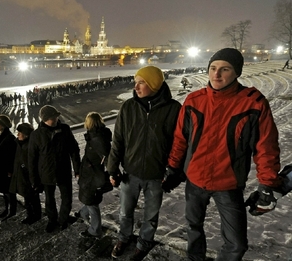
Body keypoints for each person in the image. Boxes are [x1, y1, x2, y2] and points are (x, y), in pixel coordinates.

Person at [165, 48, 282, 261]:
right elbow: (180, 139)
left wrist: (267, 184)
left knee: (236, 243)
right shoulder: (194, 100)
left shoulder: (253, 103)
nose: (216, 74)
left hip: (228, 184)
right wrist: (173, 167)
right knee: (193, 227)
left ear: (236, 72)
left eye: (224, 69)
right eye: (213, 68)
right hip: (195, 180)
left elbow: (266, 147)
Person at [106, 65, 181, 260]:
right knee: (125, 212)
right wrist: (112, 169)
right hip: (130, 172)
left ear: (154, 85)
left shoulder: (174, 109)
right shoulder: (128, 107)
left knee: (151, 216)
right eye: (135, 82)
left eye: (141, 82)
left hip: (157, 175)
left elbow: (179, 144)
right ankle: (123, 237)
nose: (136, 87)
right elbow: (118, 140)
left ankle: (144, 243)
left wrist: (174, 171)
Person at [28, 105, 81, 233]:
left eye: (57, 116)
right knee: (49, 199)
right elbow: (32, 159)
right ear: (45, 119)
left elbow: (73, 150)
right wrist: (34, 180)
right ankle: (52, 220)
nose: (57, 119)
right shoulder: (36, 135)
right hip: (47, 173)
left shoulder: (65, 129)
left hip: (63, 171)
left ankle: (63, 220)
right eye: (53, 117)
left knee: (67, 198)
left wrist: (77, 170)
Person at [77, 112, 112, 239]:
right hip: (90, 172)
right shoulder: (96, 136)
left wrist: (111, 174)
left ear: (89, 123)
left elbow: (107, 156)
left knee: (92, 202)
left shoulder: (97, 138)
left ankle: (95, 230)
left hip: (93, 174)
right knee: (89, 198)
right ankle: (82, 212)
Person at [9, 123, 41, 225]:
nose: (17, 134)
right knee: (28, 198)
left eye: (20, 133)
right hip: (21, 176)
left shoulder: (29, 146)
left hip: (28, 177)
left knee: (32, 198)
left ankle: (34, 216)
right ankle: (31, 215)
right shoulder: (19, 144)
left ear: (26, 135)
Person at [0, 114, 18, 222]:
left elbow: (12, 156)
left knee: (9, 192)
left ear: (2, 125)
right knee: (4, 191)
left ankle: (12, 211)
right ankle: (7, 209)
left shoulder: (10, 138)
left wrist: (10, 170)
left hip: (6, 170)